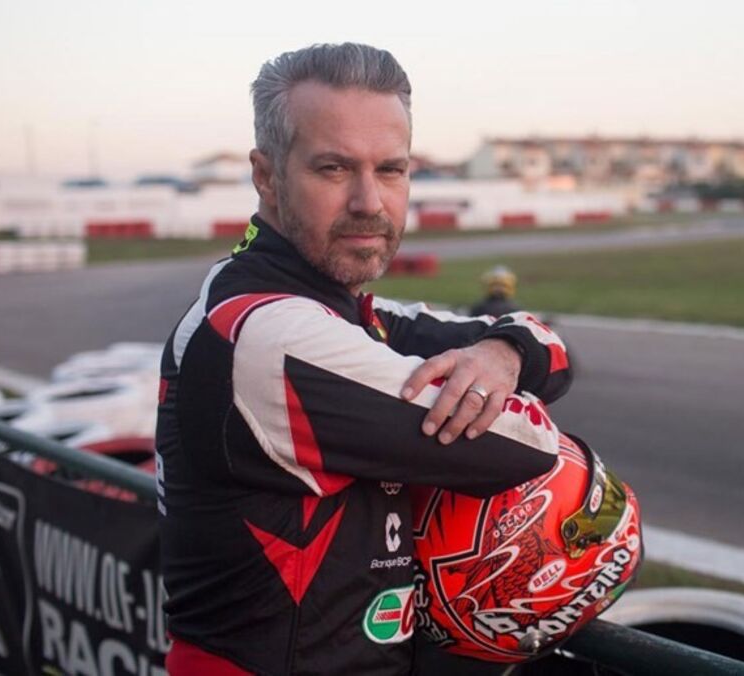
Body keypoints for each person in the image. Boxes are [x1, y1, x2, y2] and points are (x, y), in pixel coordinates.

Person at [156, 42, 572, 676]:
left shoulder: (334, 309)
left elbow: (544, 344)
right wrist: (510, 367)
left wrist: (501, 352)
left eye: (391, 170)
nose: (369, 202)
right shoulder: (270, 332)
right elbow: (528, 447)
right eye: (333, 168)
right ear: (266, 176)